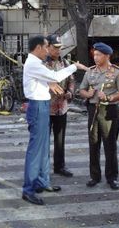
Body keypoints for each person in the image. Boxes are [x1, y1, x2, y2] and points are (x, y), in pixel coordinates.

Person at [22, 35, 88, 206]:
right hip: (37, 107)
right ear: (37, 48)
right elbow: (56, 77)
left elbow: (51, 80)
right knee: (36, 150)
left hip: (43, 105)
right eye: (45, 47)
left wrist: (52, 81)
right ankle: (28, 189)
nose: (48, 50)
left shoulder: (36, 64)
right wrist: (75, 66)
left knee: (43, 148)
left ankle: (42, 182)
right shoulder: (34, 64)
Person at [79, 42, 119, 190]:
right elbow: (81, 90)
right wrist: (88, 94)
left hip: (109, 111)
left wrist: (109, 98)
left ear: (107, 56)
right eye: (95, 54)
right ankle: (95, 176)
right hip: (93, 110)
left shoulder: (117, 72)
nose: (95, 57)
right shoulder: (90, 72)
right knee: (94, 144)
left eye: (99, 55)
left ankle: (112, 177)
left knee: (110, 145)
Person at [45, 34, 75, 178]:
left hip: (61, 108)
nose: (58, 50)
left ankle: (59, 166)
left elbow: (71, 81)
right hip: (45, 108)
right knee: (43, 141)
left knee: (60, 140)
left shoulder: (65, 64)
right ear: (48, 47)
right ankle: (43, 169)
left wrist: (70, 92)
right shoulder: (42, 64)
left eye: (59, 48)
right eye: (55, 47)